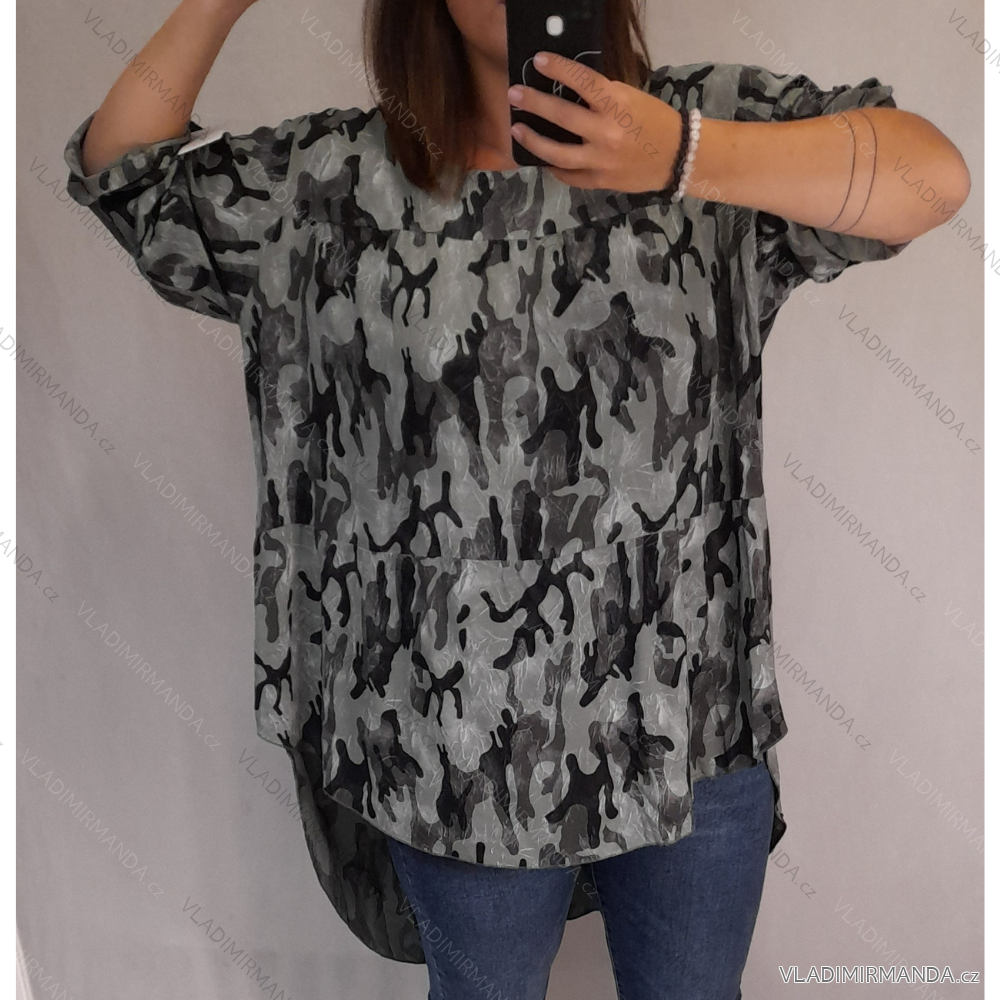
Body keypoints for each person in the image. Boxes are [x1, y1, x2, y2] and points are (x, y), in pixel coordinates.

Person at [63, 0, 970, 997]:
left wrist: (681, 155)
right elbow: (129, 178)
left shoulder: (704, 126)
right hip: (460, 741)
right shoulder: (331, 184)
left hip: (687, 719)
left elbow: (930, 177)